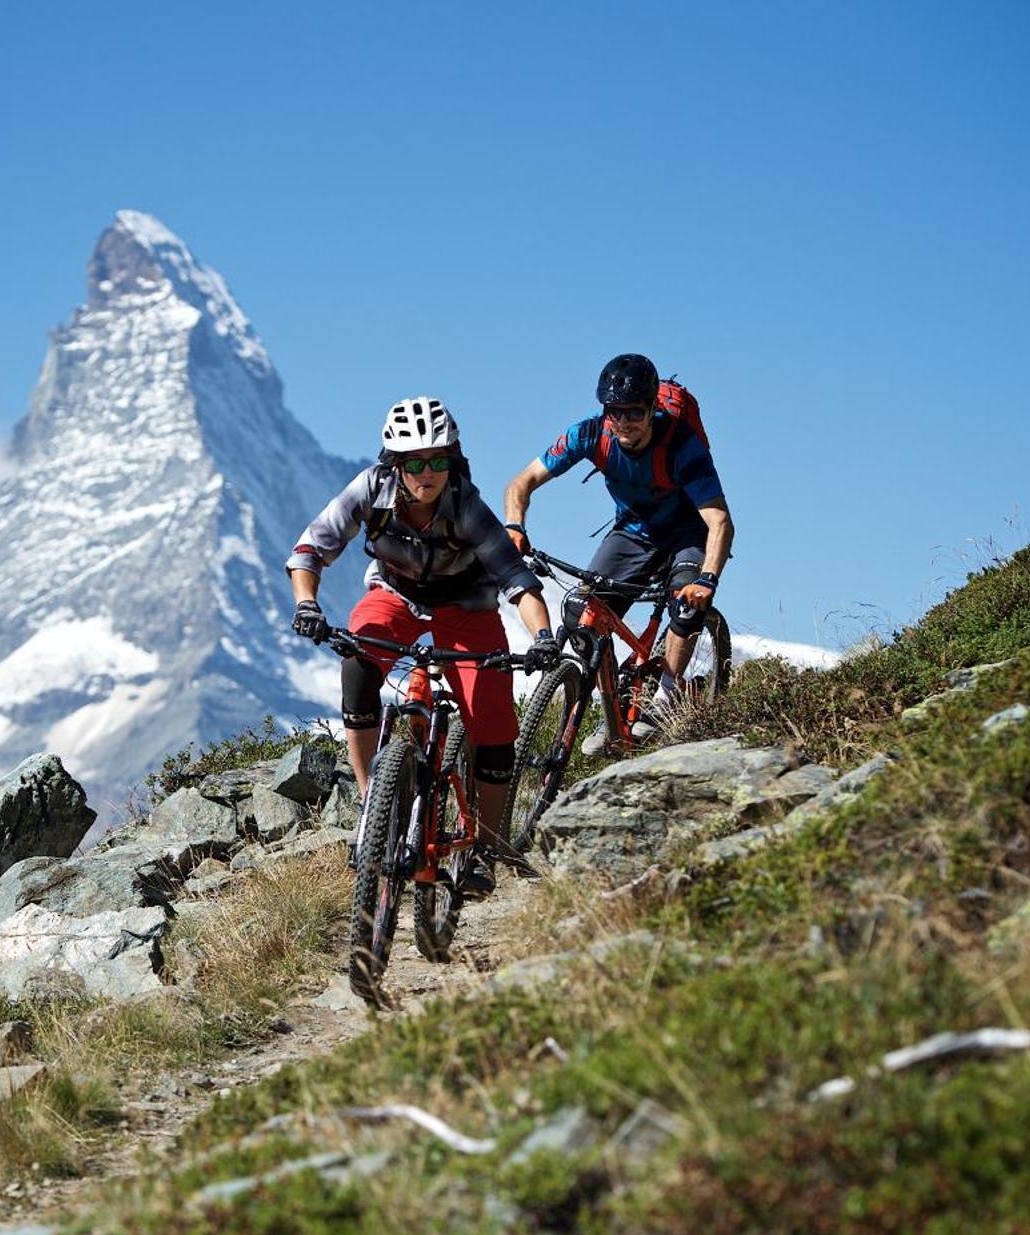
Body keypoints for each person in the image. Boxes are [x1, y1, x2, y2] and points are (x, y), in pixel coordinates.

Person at [288, 397, 558, 888]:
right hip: (396, 594)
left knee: (493, 724)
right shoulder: (371, 488)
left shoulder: (466, 506)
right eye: (414, 462)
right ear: (396, 464)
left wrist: (541, 636)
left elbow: (519, 583)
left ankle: (486, 847)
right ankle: (375, 812)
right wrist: (307, 605)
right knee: (357, 666)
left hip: (467, 607)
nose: (427, 472)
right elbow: (310, 549)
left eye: (437, 459)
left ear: (452, 459)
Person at [501, 353, 734, 747]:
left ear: (652, 409)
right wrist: (514, 525)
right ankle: (612, 709)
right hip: (634, 533)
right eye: (615, 412)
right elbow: (521, 483)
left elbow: (719, 522)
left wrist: (707, 579)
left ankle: (665, 696)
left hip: (688, 532)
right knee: (581, 614)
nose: (624, 422)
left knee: (685, 604)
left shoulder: (681, 446)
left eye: (635, 412)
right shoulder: (590, 435)